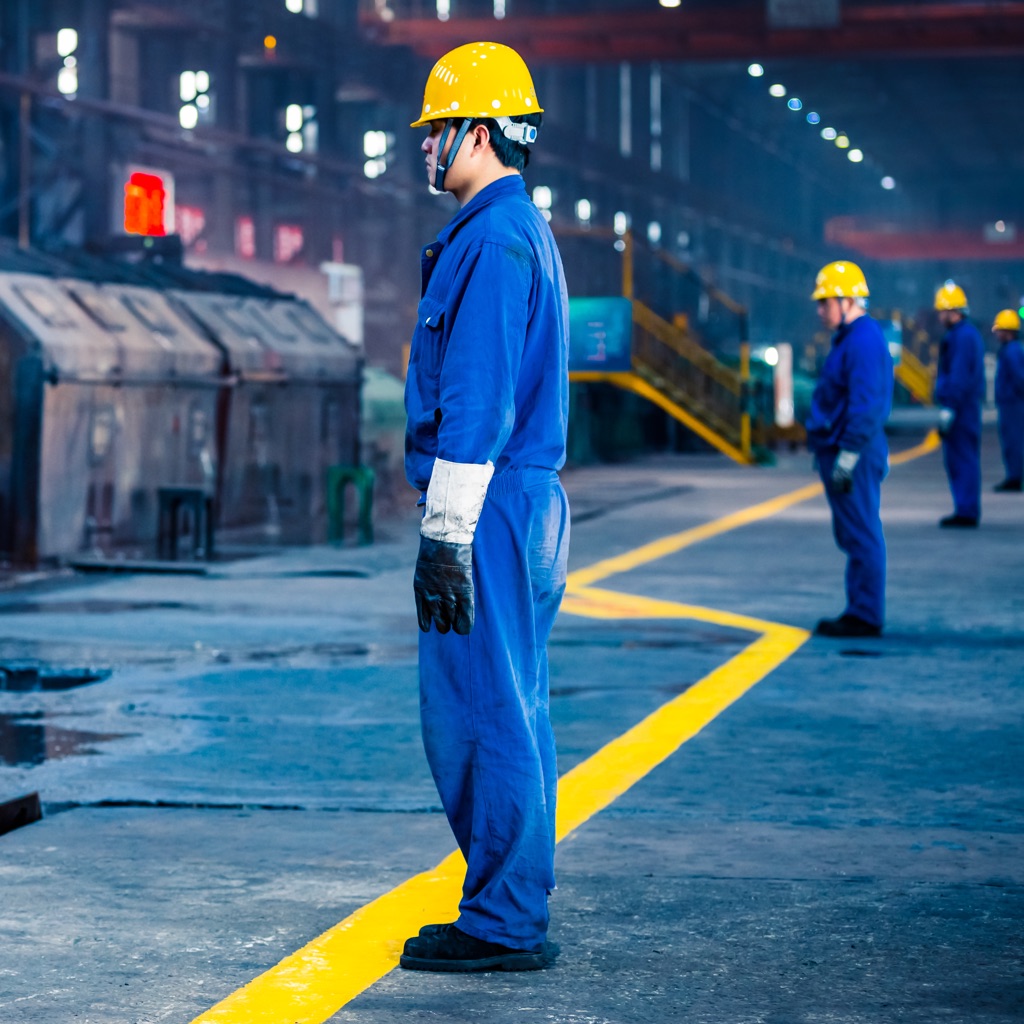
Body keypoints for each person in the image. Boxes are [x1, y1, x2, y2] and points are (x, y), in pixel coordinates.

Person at [400, 42, 570, 973]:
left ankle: (503, 921)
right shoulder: (503, 232)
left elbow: (478, 398)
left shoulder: (496, 243)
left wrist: (447, 533)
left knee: (482, 711)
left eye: (436, 131)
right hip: (515, 503)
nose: (425, 146)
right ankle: (507, 900)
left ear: (478, 131)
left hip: (492, 506)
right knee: (513, 704)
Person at [805, 261, 894, 638]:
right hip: (845, 451)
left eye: (825, 302)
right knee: (854, 534)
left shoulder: (862, 341)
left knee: (861, 534)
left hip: (852, 455)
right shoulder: (852, 339)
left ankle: (865, 615)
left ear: (847, 300)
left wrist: (849, 454)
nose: (820, 310)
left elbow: (867, 404)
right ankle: (861, 608)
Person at [933, 281, 986, 527]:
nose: (940, 316)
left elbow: (959, 375)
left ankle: (966, 511)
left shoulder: (962, 337)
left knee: (962, 460)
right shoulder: (964, 334)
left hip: (961, 409)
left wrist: (949, 407)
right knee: (962, 459)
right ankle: (966, 508)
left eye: (942, 311)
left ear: (953, 311)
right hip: (965, 407)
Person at [992, 308, 1024, 492]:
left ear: (1008, 331)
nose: (997, 333)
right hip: (1011, 402)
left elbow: (1020, 378)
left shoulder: (1011, 352)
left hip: (1013, 404)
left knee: (1013, 441)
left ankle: (1014, 478)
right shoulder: (1012, 350)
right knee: (1012, 441)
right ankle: (1014, 475)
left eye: (1000, 330)